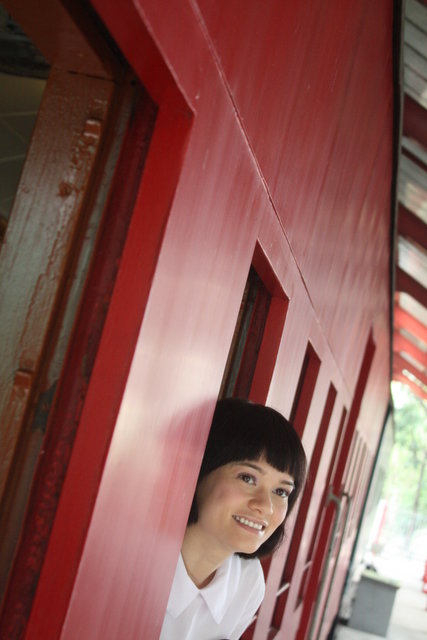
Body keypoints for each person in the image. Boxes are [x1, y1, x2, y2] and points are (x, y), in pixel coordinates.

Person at [160, 397, 307, 640]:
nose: (265, 506)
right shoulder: (131, 556)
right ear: (200, 470)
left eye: (281, 492)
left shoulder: (249, 583)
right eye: (247, 478)